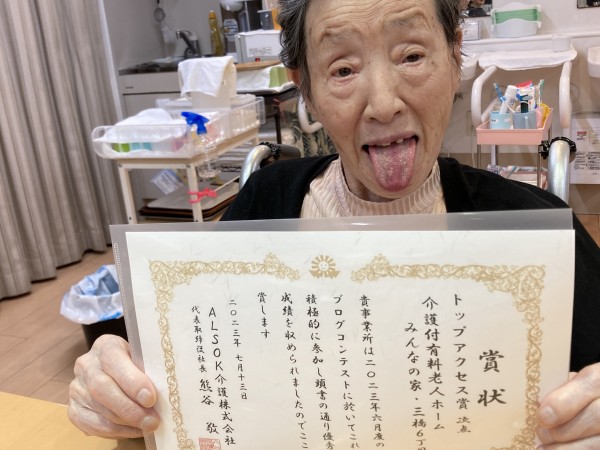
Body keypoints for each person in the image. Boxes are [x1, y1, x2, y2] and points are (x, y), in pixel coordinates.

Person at [69, 0, 600, 446]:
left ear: (454, 54)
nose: (384, 104)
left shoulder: (536, 231)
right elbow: (194, 373)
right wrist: (119, 388)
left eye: (412, 55)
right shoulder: (265, 203)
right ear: (306, 88)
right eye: (343, 69)